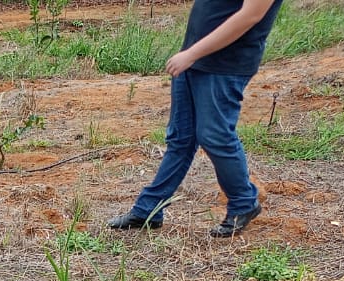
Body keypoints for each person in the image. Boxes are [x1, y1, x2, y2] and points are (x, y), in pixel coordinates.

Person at [106, 0, 284, 238]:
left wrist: (192, 53)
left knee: (215, 135)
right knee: (181, 139)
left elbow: (249, 16)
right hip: (194, 60)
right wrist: (191, 55)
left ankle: (244, 203)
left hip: (224, 65)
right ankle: (148, 210)